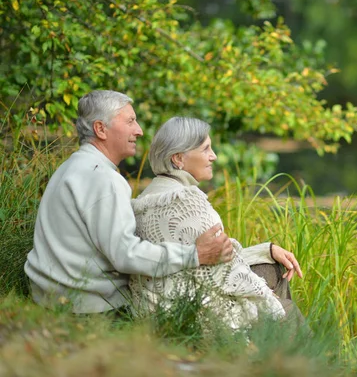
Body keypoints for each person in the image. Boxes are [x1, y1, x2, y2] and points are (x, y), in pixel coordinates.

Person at [24, 90, 233, 314]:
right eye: (131, 121)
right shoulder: (104, 179)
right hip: (87, 308)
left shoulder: (72, 167)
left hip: (48, 296)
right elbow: (126, 255)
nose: (139, 131)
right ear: (101, 129)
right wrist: (194, 255)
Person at [129, 116, 304, 329]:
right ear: (178, 159)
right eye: (205, 149)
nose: (214, 156)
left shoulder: (144, 200)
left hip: (154, 307)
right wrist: (272, 302)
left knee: (268, 265)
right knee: (285, 307)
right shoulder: (186, 201)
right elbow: (224, 271)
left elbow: (203, 261)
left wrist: (266, 250)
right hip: (192, 314)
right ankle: (304, 357)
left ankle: (277, 349)